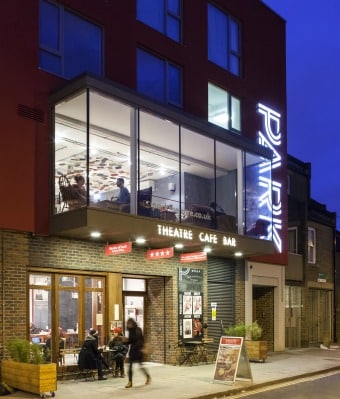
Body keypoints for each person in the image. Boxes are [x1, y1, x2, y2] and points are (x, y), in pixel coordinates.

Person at [123, 318, 151, 388]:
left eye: (129, 323)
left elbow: (141, 339)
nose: (128, 325)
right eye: (128, 324)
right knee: (130, 366)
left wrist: (143, 348)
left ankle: (147, 376)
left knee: (140, 366)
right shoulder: (130, 331)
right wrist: (125, 341)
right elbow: (131, 341)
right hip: (132, 350)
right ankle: (130, 382)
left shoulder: (138, 329)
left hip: (138, 350)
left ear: (133, 323)